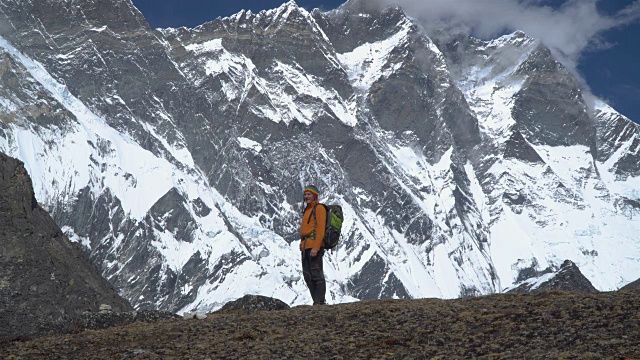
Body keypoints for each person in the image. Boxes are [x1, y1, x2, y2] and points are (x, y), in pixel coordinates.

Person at [300, 184, 327, 305]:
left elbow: (320, 229)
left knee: (316, 274)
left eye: (309, 194)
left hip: (313, 246)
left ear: (315, 196)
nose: (306, 196)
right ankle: (316, 300)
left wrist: (316, 247)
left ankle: (320, 301)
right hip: (305, 246)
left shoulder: (319, 208)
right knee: (307, 275)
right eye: (305, 194)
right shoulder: (307, 210)